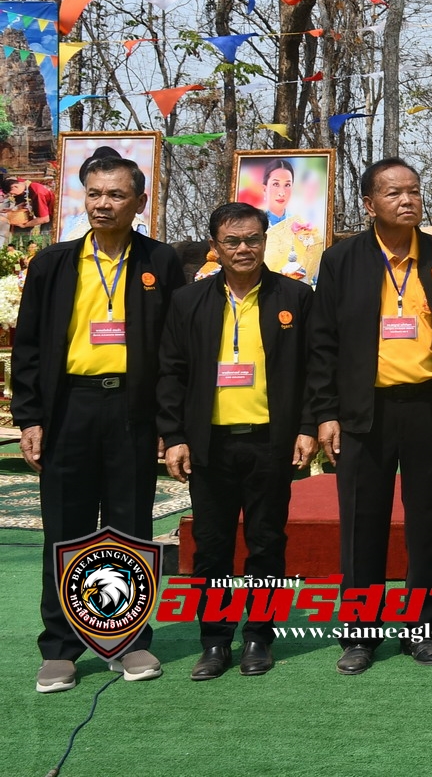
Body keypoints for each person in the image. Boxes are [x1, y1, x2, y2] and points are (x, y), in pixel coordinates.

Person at [12, 149, 185, 693]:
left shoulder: (161, 262)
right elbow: (30, 345)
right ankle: (60, 647)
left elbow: (174, 350)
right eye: (94, 194)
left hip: (131, 410)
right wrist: (30, 417)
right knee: (65, 527)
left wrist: (168, 421)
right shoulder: (53, 263)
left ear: (140, 201)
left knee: (129, 525)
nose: (103, 204)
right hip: (69, 409)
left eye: (115, 194)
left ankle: (127, 641)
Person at [306, 158, 432, 674]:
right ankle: (360, 634)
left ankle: (423, 630)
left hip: (427, 410)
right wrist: (326, 413)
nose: (408, 200)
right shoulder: (342, 260)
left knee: (426, 523)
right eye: (394, 193)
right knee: (361, 524)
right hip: (362, 412)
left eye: (415, 191)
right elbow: (322, 342)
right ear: (369, 204)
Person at [157, 202, 315, 679]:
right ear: (216, 246)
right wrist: (174, 435)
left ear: (266, 242)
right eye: (233, 241)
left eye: (252, 240)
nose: (244, 249)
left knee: (267, 543)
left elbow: (314, 371)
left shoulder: (294, 297)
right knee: (212, 546)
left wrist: (307, 426)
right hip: (211, 444)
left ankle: (258, 638)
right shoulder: (189, 301)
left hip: (272, 441)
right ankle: (215, 641)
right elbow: (171, 373)